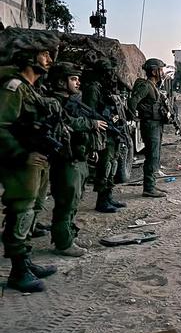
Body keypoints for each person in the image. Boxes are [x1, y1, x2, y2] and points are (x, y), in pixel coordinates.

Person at [0, 31, 60, 292]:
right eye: (44, 54)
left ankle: (26, 260)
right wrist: (22, 155)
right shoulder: (12, 88)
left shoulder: (31, 89)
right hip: (20, 162)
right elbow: (1, 127)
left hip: (35, 160)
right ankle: (18, 269)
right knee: (21, 212)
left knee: (33, 209)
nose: (49, 59)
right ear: (28, 56)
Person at [46, 62, 107, 257]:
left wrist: (90, 148)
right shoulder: (53, 102)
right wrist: (91, 124)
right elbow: (66, 123)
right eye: (73, 78)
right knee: (66, 200)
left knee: (74, 200)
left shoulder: (72, 101)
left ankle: (69, 236)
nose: (77, 82)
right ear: (60, 82)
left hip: (78, 156)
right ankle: (63, 243)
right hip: (65, 159)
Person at [83, 59, 126, 212]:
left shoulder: (106, 88)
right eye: (110, 72)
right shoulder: (94, 88)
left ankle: (108, 197)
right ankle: (102, 201)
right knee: (105, 166)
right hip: (102, 133)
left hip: (111, 132)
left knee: (112, 164)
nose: (113, 75)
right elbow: (89, 112)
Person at [127, 58, 168, 198]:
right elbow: (133, 101)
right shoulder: (146, 86)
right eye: (160, 69)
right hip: (150, 125)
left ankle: (151, 185)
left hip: (155, 124)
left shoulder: (153, 86)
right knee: (152, 156)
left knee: (155, 155)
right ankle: (149, 188)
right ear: (154, 71)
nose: (162, 72)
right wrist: (135, 117)